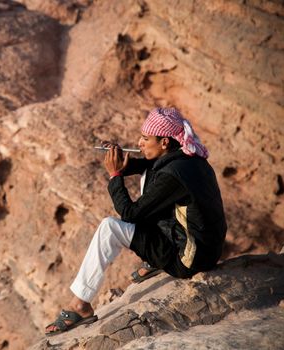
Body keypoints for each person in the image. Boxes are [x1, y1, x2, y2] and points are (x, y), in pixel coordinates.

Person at [45, 107, 227, 335]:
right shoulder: (187, 158)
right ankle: (156, 260)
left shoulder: (172, 177)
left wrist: (115, 176)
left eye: (145, 138)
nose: (139, 143)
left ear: (164, 143)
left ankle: (79, 305)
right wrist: (120, 158)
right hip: (205, 250)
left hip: (188, 260)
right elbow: (148, 165)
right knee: (148, 177)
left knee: (109, 228)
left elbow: (130, 214)